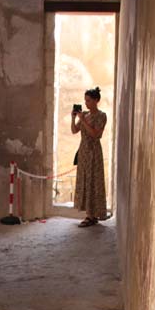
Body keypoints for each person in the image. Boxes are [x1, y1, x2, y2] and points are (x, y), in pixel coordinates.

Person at [71, 86, 108, 227]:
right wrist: (73, 118)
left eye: (88, 100)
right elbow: (74, 130)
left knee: (94, 181)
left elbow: (96, 134)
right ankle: (89, 214)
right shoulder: (84, 115)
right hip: (83, 151)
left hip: (94, 152)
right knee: (84, 181)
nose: (86, 103)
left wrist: (84, 121)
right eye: (85, 101)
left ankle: (92, 215)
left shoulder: (101, 116)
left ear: (96, 100)